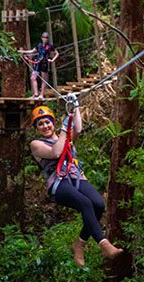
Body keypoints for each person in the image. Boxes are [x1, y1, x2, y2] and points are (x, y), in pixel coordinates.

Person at [30, 95, 123, 267]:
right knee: (85, 203)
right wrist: (65, 129)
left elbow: (78, 130)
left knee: (98, 205)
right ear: (36, 128)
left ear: (53, 122)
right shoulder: (36, 144)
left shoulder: (64, 136)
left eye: (47, 122)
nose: (45, 126)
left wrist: (76, 107)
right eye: (40, 124)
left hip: (76, 178)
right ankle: (104, 244)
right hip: (58, 184)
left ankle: (79, 244)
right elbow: (56, 153)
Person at [19, 32, 59, 99]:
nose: (45, 39)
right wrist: (23, 52)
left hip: (44, 63)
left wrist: (52, 60)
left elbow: (57, 53)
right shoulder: (39, 45)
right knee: (33, 78)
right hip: (38, 62)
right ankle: (36, 94)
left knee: (44, 79)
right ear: (42, 38)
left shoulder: (50, 46)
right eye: (44, 37)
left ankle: (41, 95)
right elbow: (32, 51)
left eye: (46, 37)